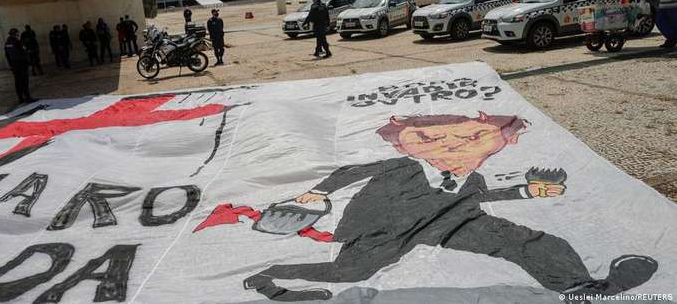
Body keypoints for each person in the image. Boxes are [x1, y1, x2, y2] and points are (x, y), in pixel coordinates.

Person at [195, 112, 659, 302]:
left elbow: (484, 193)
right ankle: (270, 274)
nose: (454, 147)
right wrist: (317, 192)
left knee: (528, 240)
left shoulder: (472, 176)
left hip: (449, 221)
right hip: (388, 226)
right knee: (349, 275)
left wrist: (526, 192)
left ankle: (581, 287)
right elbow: (349, 173)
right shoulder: (399, 168)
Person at [4, 28, 34, 104]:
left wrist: (11, 65)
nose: (18, 35)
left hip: (14, 65)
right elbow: (24, 52)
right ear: (16, 34)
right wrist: (28, 62)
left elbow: (7, 55)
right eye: (17, 33)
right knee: (24, 81)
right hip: (22, 64)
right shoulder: (17, 42)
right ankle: (28, 97)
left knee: (17, 82)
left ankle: (20, 98)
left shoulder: (7, 43)